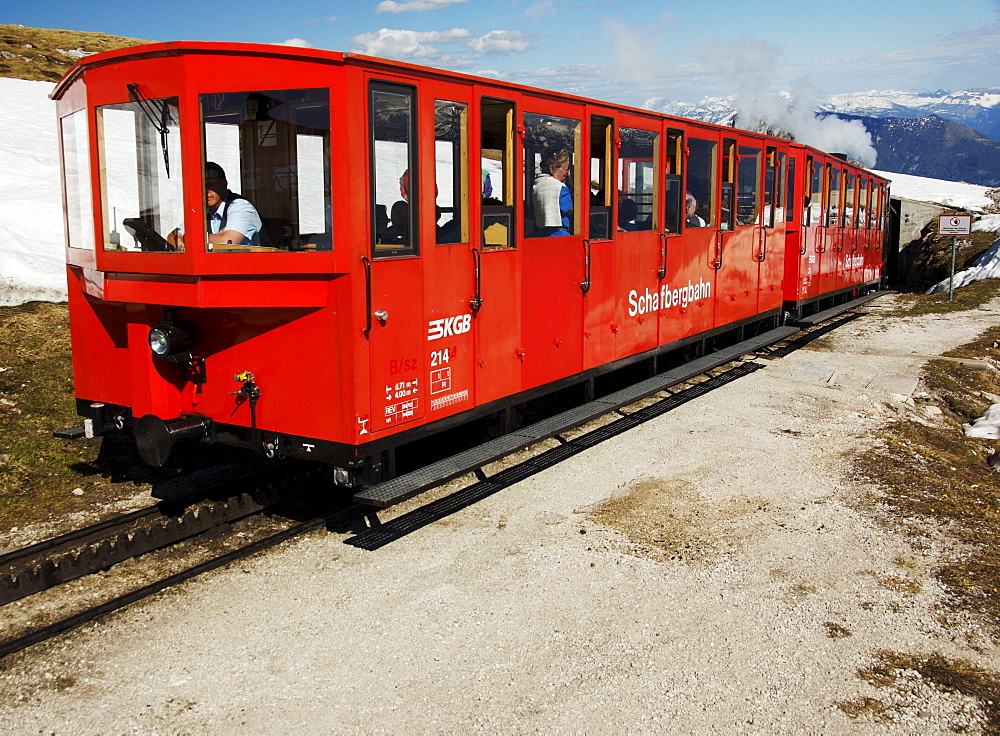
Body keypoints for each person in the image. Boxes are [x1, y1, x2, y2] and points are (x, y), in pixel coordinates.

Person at [167, 162, 262, 248]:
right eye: (201, 185)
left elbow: (228, 241)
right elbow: (173, 236)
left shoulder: (241, 207)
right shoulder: (204, 210)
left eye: (211, 184)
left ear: (223, 184)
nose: (206, 190)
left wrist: (190, 238)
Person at [532, 148, 572, 237]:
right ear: (552, 168)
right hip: (560, 233)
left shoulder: (537, 184)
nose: (567, 173)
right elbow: (572, 211)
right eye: (565, 169)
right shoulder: (560, 187)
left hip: (541, 233)